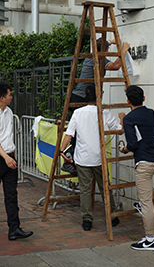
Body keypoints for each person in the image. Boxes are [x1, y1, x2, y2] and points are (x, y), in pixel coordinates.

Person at [60, 85, 123, 231]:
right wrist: (122, 118)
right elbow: (120, 130)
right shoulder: (105, 113)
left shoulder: (77, 113)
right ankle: (112, 215)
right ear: (100, 95)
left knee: (86, 190)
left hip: (82, 157)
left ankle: (87, 220)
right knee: (105, 188)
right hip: (99, 158)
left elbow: (69, 134)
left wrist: (62, 150)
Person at [119, 85, 154, 251]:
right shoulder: (150, 112)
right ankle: (141, 203)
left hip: (145, 163)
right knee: (144, 200)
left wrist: (123, 149)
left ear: (128, 101)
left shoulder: (129, 118)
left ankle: (150, 240)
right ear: (144, 98)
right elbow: (142, 133)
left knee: (147, 204)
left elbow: (133, 143)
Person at [0, 82, 33, 241]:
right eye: (9, 95)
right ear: (1, 98)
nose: (11, 97)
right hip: (2, 158)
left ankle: (14, 229)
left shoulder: (9, 112)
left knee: (11, 195)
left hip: (10, 157)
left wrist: (11, 156)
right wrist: (6, 158)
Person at [70, 37, 130, 104]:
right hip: (83, 97)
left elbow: (100, 45)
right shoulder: (99, 60)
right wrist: (124, 50)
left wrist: (110, 42)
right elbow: (115, 66)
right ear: (106, 51)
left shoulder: (90, 56)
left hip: (76, 95)